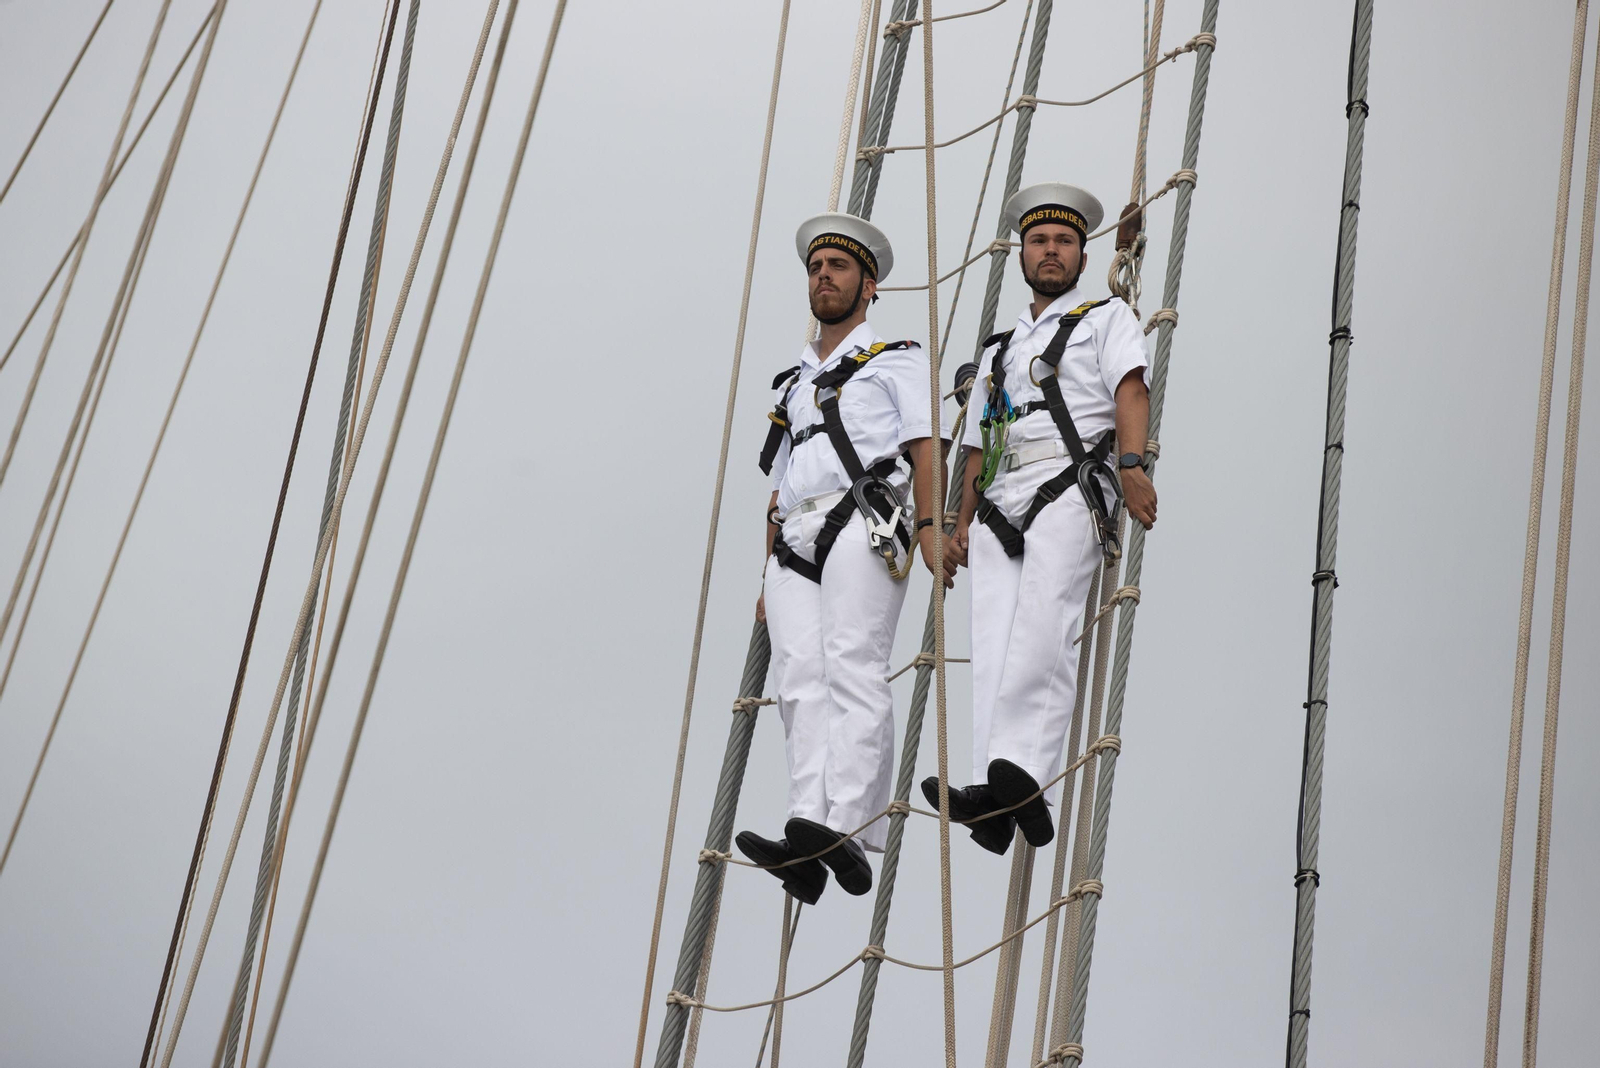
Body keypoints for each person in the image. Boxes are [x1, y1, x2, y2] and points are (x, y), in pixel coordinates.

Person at [927, 182, 1157, 855]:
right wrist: (955, 521)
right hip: (1001, 496)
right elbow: (976, 443)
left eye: (1062, 242)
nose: (1049, 251)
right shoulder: (999, 349)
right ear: (1023, 255)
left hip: (1070, 483)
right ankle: (989, 797)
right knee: (993, 642)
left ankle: (1029, 778)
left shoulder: (1106, 319)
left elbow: (1131, 389)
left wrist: (1134, 463)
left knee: (1043, 629)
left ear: (1081, 255)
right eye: (1038, 242)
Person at [735, 212, 953, 905]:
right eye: (815, 267)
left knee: (854, 666)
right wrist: (766, 571)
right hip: (794, 540)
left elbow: (926, 445)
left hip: (864, 521)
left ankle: (850, 827)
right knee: (799, 680)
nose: (823, 275)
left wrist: (927, 525)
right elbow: (779, 482)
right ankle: (808, 826)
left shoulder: (898, 360)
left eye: (837, 266)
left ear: (869, 285)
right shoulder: (793, 384)